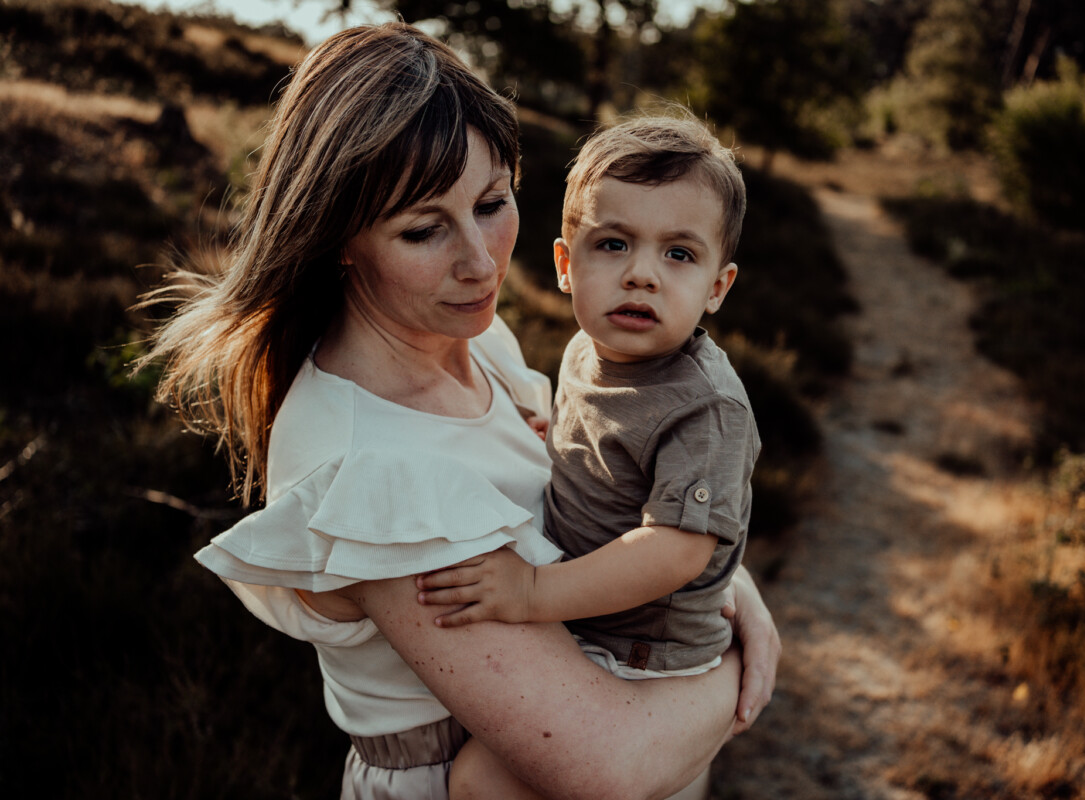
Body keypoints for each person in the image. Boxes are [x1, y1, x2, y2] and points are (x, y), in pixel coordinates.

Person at [142, 21, 780, 800]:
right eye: (422, 230)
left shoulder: (477, 341)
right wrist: (742, 665)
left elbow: (619, 502)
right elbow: (609, 765)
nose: (480, 264)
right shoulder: (371, 470)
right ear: (338, 237)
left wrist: (725, 585)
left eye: (492, 203)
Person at [413, 113, 759, 799]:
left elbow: (676, 551)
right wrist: (555, 437)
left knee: (482, 781)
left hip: (646, 655)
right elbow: (608, 445)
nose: (641, 275)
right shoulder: (586, 351)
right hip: (590, 626)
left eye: (679, 255)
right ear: (566, 266)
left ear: (718, 288)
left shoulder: (705, 409)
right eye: (613, 244)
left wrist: (531, 593)